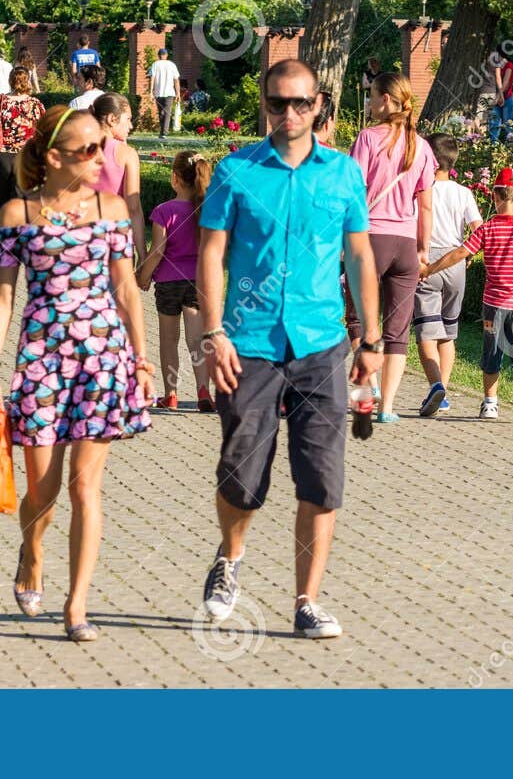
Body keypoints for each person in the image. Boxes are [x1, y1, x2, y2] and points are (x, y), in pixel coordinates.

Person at [198, 57, 383, 641]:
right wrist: (211, 332)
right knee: (242, 475)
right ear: (265, 105)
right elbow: (210, 254)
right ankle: (230, 557)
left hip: (321, 343)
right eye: (278, 103)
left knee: (322, 479)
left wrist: (371, 339)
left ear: (318, 105)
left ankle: (306, 600)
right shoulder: (235, 172)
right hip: (248, 343)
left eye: (301, 103)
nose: (289, 113)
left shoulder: (343, 174)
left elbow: (359, 257)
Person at [0, 106, 155, 642]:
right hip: (42, 361)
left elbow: (126, 289)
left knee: (85, 487)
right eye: (88, 150)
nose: (102, 158)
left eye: (103, 147)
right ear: (54, 157)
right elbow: (5, 294)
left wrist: (143, 360)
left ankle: (77, 606)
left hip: (103, 361)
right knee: (44, 491)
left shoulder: (110, 211)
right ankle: (30, 552)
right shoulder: (17, 214)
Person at [422, 167, 513, 422]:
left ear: (494, 197)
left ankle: (490, 404)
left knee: (492, 355)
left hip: (494, 306)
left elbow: (459, 253)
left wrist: (430, 269)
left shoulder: (488, 229)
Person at [347, 72, 435, 423]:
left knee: (357, 318)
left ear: (386, 100)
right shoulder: (423, 146)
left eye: (371, 95)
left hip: (370, 239)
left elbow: (352, 194)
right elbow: (426, 205)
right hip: (405, 244)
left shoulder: (368, 139)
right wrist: (423, 249)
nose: (368, 102)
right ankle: (387, 409)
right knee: (398, 331)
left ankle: (367, 390)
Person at [135, 150, 212, 412]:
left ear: (175, 178)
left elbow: (157, 251)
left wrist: (143, 276)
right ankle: (203, 391)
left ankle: (171, 393)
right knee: (196, 340)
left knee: (169, 340)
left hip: (168, 283)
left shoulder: (163, 211)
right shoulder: (206, 210)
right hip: (197, 282)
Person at [411, 135, 483, 416]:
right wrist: (468, 254)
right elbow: (478, 228)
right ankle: (443, 392)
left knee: (426, 332)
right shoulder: (463, 192)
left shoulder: (420, 189)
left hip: (427, 259)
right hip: (455, 260)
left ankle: (435, 385)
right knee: (448, 333)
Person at [0, 67, 44, 246]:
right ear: (27, 81)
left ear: (10, 80)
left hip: (0, 158)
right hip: (26, 159)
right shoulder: (35, 105)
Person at [90, 93, 146, 254]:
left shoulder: (76, 147)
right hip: (116, 241)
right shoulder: (126, 153)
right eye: (128, 119)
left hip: (80, 238)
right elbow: (134, 208)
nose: (131, 126)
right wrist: (142, 255)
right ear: (112, 119)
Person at [147, 47, 181, 137]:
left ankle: (163, 132)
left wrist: (151, 92)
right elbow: (176, 80)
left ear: (158, 56)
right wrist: (178, 94)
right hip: (169, 93)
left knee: (161, 112)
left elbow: (152, 78)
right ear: (166, 55)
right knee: (167, 112)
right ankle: (164, 132)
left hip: (158, 93)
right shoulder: (172, 64)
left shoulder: (155, 64)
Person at [488, 48, 513, 141]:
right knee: (494, 124)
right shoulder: (498, 65)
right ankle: (493, 147)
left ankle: (508, 148)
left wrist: (499, 97)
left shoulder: (509, 65)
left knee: (507, 125)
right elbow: (498, 79)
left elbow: (506, 82)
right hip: (499, 98)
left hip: (508, 98)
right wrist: (499, 96)